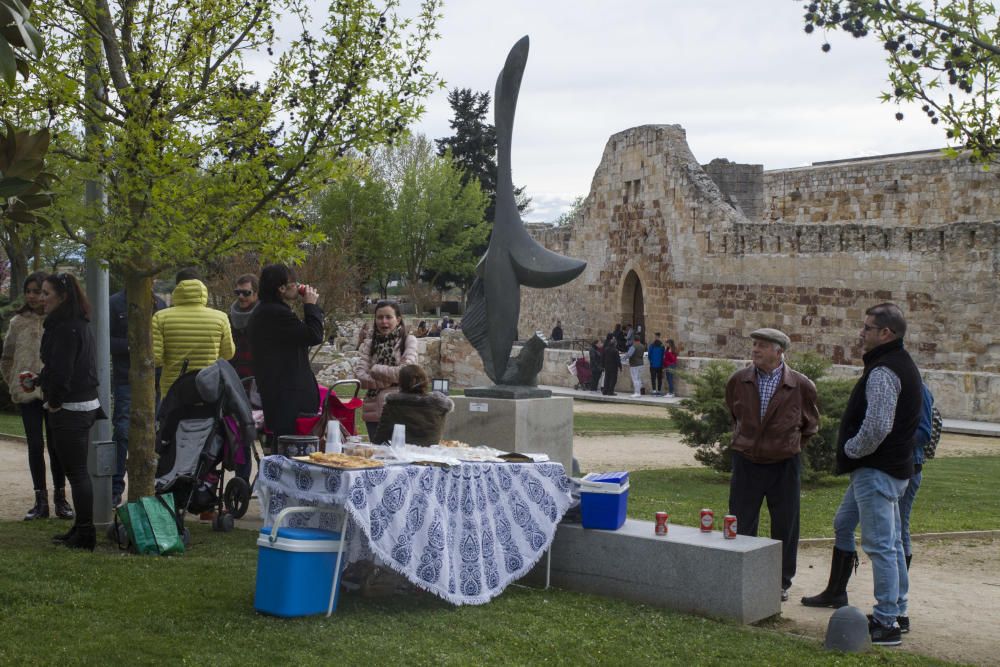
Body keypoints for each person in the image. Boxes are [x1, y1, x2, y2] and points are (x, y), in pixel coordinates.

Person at [800, 303, 921, 647]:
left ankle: (888, 621)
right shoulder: (899, 364)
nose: (861, 333)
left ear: (886, 333)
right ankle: (889, 608)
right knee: (855, 526)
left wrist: (851, 449)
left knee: (882, 545)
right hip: (885, 470)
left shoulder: (885, 370)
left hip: (877, 470)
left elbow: (878, 425)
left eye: (867, 328)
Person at [725, 328, 819, 603]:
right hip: (746, 461)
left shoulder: (801, 386)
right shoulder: (738, 380)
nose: (755, 349)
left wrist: (788, 446)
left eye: (762, 346)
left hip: (784, 465)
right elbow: (733, 412)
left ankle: (781, 581)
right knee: (741, 519)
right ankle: (743, 574)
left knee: (785, 524)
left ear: (779, 352)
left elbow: (810, 426)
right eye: (754, 344)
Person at [37, 273, 104, 551]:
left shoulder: (66, 328)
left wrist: (54, 401)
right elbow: (62, 367)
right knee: (75, 471)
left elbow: (64, 372)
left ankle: (86, 533)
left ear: (62, 297)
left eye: (46, 293)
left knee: (76, 473)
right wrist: (39, 379)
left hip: (72, 407)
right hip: (81, 404)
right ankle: (80, 527)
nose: (41, 298)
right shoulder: (73, 324)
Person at [1, 272, 72, 521]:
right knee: (34, 444)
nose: (32, 296)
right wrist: (13, 382)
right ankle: (40, 499)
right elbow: (7, 357)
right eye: (28, 291)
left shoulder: (60, 320)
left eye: (37, 291)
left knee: (57, 447)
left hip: (53, 392)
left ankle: (61, 499)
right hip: (27, 392)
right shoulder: (17, 322)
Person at [248, 264, 324, 439]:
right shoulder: (275, 314)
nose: (298, 286)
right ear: (281, 288)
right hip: (289, 399)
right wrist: (310, 306)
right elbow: (314, 335)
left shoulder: (267, 311)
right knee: (293, 449)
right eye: (294, 282)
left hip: (281, 395)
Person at [109, 285, 167, 507]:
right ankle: (116, 488)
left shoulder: (159, 304)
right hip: (126, 378)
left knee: (152, 431)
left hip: (155, 378)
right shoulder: (114, 303)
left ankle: (150, 486)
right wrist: (137, 346)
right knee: (123, 431)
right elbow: (106, 340)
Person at [152, 268, 235, 395]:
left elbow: (156, 358)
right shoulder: (221, 317)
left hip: (173, 388)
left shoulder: (160, 317)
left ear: (177, 287)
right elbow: (228, 353)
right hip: (208, 386)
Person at [355, 300, 418, 438]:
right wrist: (390, 381)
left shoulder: (408, 341)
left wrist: (376, 369)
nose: (384, 322)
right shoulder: (369, 344)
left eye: (388, 317)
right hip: (373, 412)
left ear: (398, 319)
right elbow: (360, 376)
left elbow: (405, 372)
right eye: (380, 317)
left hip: (400, 410)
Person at [372, 365, 454, 446]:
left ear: (401, 382)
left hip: (399, 453)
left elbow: (380, 439)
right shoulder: (438, 405)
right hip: (430, 454)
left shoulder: (393, 404)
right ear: (425, 380)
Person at [227, 274, 259, 381]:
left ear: (256, 294)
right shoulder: (229, 317)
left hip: (259, 376)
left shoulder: (264, 316)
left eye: (246, 293)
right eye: (238, 292)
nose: (241, 296)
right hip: (234, 375)